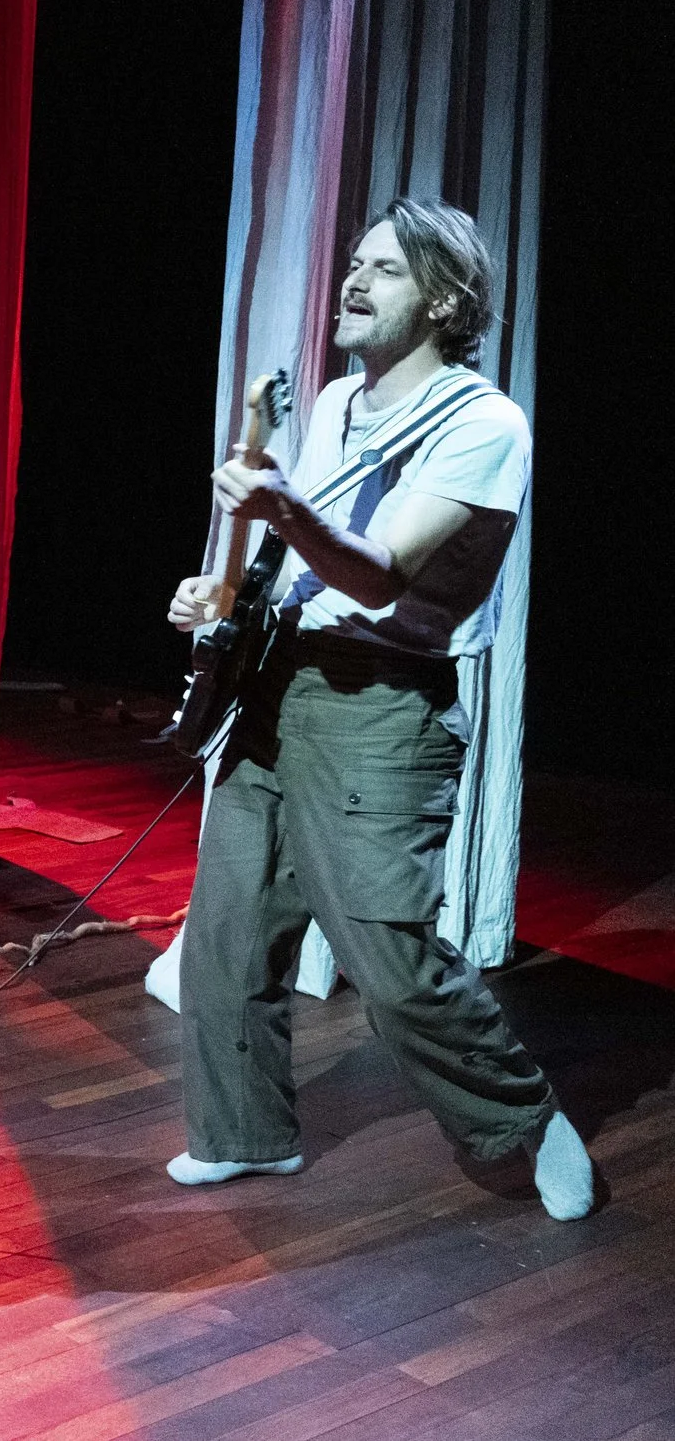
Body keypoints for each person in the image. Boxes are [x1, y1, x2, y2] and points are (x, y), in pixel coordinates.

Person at [164, 197, 594, 1220]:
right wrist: (216, 596)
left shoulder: (482, 424)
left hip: (378, 708)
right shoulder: (332, 402)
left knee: (388, 955)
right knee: (227, 932)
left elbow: (373, 570)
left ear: (445, 298)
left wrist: (280, 504)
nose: (353, 282)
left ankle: (522, 1117)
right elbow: (301, 568)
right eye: (352, 263)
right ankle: (242, 1135)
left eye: (384, 269)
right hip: (281, 682)